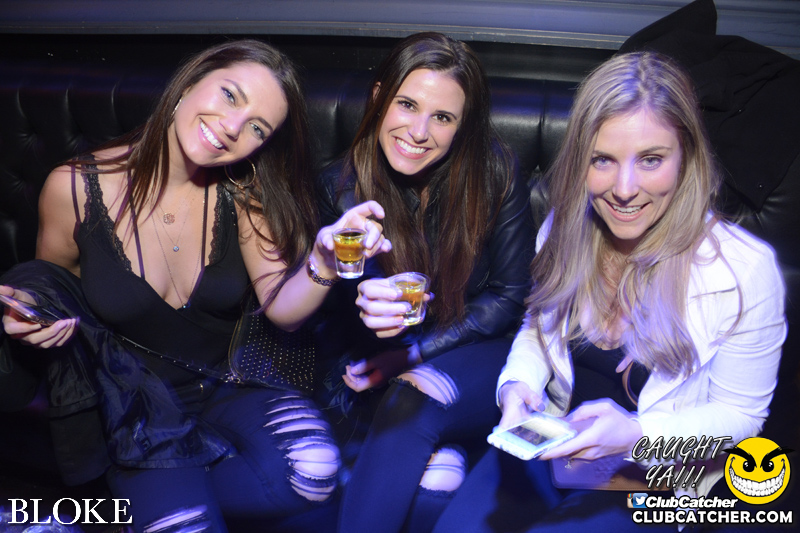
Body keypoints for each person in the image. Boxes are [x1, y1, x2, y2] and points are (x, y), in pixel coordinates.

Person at [0, 39, 390, 532]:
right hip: (136, 408)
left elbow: (283, 310)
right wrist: (34, 315)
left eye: (257, 127)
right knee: (186, 523)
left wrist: (323, 260)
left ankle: (124, 515)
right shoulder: (75, 188)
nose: (232, 127)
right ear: (189, 83)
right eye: (229, 95)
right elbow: (53, 286)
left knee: (313, 471)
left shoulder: (245, 193)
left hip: (225, 387)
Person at [433, 51, 787, 532]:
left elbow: (742, 416)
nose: (624, 189)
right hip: (554, 453)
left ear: (686, 158)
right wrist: (517, 386)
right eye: (603, 160)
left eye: (651, 160)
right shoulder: (564, 229)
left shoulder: (744, 270)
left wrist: (637, 435)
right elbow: (538, 328)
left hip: (654, 481)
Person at [316, 32, 534, 533]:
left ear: (463, 126)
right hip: (374, 368)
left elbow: (509, 297)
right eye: (407, 104)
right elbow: (343, 313)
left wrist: (414, 354)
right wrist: (365, 298)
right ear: (379, 98)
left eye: (442, 117)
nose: (418, 132)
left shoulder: (495, 171)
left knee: (416, 396)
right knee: (436, 481)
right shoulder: (338, 188)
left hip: (480, 353)